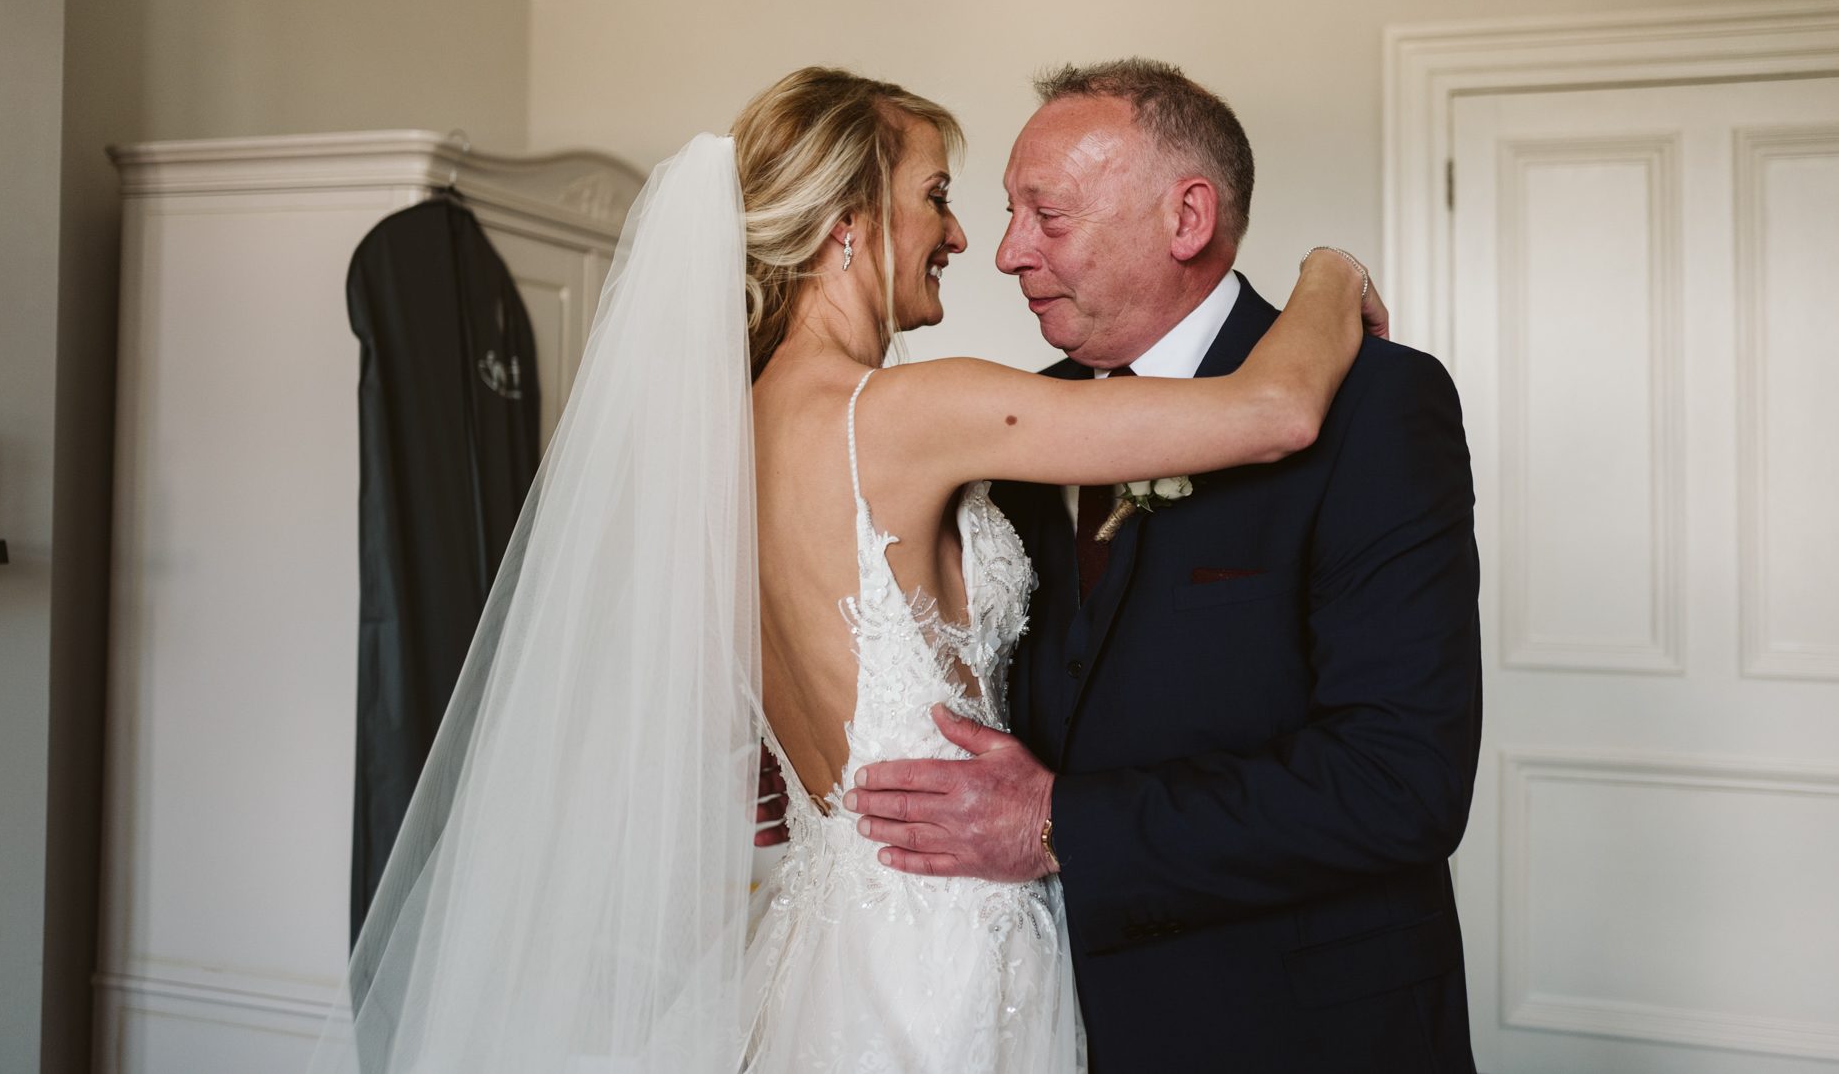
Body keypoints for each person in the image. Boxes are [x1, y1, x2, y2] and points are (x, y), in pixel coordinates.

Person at [309, 66, 1381, 1074]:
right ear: (847, 225)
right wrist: (1331, 271)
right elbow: (1272, 409)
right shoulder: (905, 412)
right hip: (947, 933)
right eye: (934, 196)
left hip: (831, 928)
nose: (963, 236)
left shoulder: (722, 441)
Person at [844, 60, 1482, 1072]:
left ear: (1186, 218)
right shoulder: (1008, 424)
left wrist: (1060, 823)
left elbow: (1400, 781)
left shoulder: (1376, 407)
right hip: (1050, 1013)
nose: (1005, 252)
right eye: (1005, 212)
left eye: (1044, 215)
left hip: (1298, 1024)